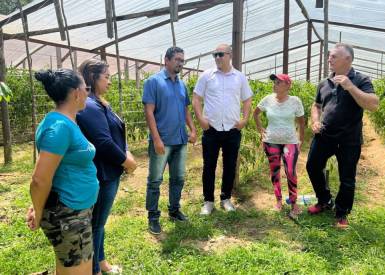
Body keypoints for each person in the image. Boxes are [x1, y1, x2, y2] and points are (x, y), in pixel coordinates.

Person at [26, 69, 99, 275]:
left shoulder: (66, 122)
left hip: (76, 210)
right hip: (68, 214)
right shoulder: (59, 127)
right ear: (76, 92)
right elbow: (40, 179)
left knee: (68, 268)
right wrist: (37, 210)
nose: (88, 93)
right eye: (86, 88)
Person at [306, 43, 379, 229]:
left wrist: (350, 87)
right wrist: (315, 120)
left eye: (333, 56)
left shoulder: (361, 79)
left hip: (349, 138)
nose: (329, 59)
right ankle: (324, 200)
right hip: (325, 135)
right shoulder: (324, 83)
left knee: (347, 177)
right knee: (313, 166)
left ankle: (341, 211)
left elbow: (373, 104)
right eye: (329, 56)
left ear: (348, 59)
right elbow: (316, 105)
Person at [77, 59, 137, 274]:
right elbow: (103, 142)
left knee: (99, 223)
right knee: (95, 224)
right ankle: (94, 270)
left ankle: (100, 262)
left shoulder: (98, 102)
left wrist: (126, 150)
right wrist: (127, 161)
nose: (110, 82)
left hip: (110, 171)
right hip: (102, 173)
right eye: (107, 77)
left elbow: (116, 131)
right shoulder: (90, 106)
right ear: (93, 78)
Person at [192, 44, 253, 215]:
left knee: (230, 165)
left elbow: (247, 100)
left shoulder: (240, 77)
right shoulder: (207, 76)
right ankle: (208, 201)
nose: (217, 58)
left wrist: (244, 120)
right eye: (215, 55)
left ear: (229, 55)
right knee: (209, 166)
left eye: (220, 54)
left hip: (232, 130)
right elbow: (196, 98)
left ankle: (226, 198)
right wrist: (201, 119)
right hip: (211, 129)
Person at [142, 46, 197, 235]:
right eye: (177, 60)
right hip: (162, 140)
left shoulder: (181, 85)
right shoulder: (154, 82)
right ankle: (153, 217)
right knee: (155, 180)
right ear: (166, 60)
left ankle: (174, 210)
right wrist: (156, 139)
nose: (180, 63)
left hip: (180, 140)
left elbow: (185, 109)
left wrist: (193, 129)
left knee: (178, 178)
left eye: (182, 60)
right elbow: (149, 112)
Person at [253, 74, 305, 219]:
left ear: (288, 85)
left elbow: (301, 123)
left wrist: (300, 140)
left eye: (278, 82)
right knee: (274, 171)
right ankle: (278, 201)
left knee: (290, 171)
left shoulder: (295, 101)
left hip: (290, 141)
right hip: (271, 141)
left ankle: (294, 203)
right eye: (274, 82)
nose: (274, 84)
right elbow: (255, 114)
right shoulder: (267, 99)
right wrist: (260, 129)